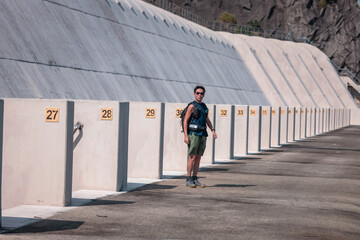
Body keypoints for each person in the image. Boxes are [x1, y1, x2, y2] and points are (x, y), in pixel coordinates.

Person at [183, 85, 217, 188]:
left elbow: (207, 119)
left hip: (202, 134)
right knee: (192, 157)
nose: (199, 95)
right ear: (194, 94)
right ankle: (188, 179)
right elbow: (185, 121)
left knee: (198, 158)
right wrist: (186, 135)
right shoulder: (192, 106)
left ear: (204, 95)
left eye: (201, 93)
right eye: (197, 93)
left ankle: (195, 178)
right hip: (193, 134)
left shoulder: (204, 106)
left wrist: (213, 130)